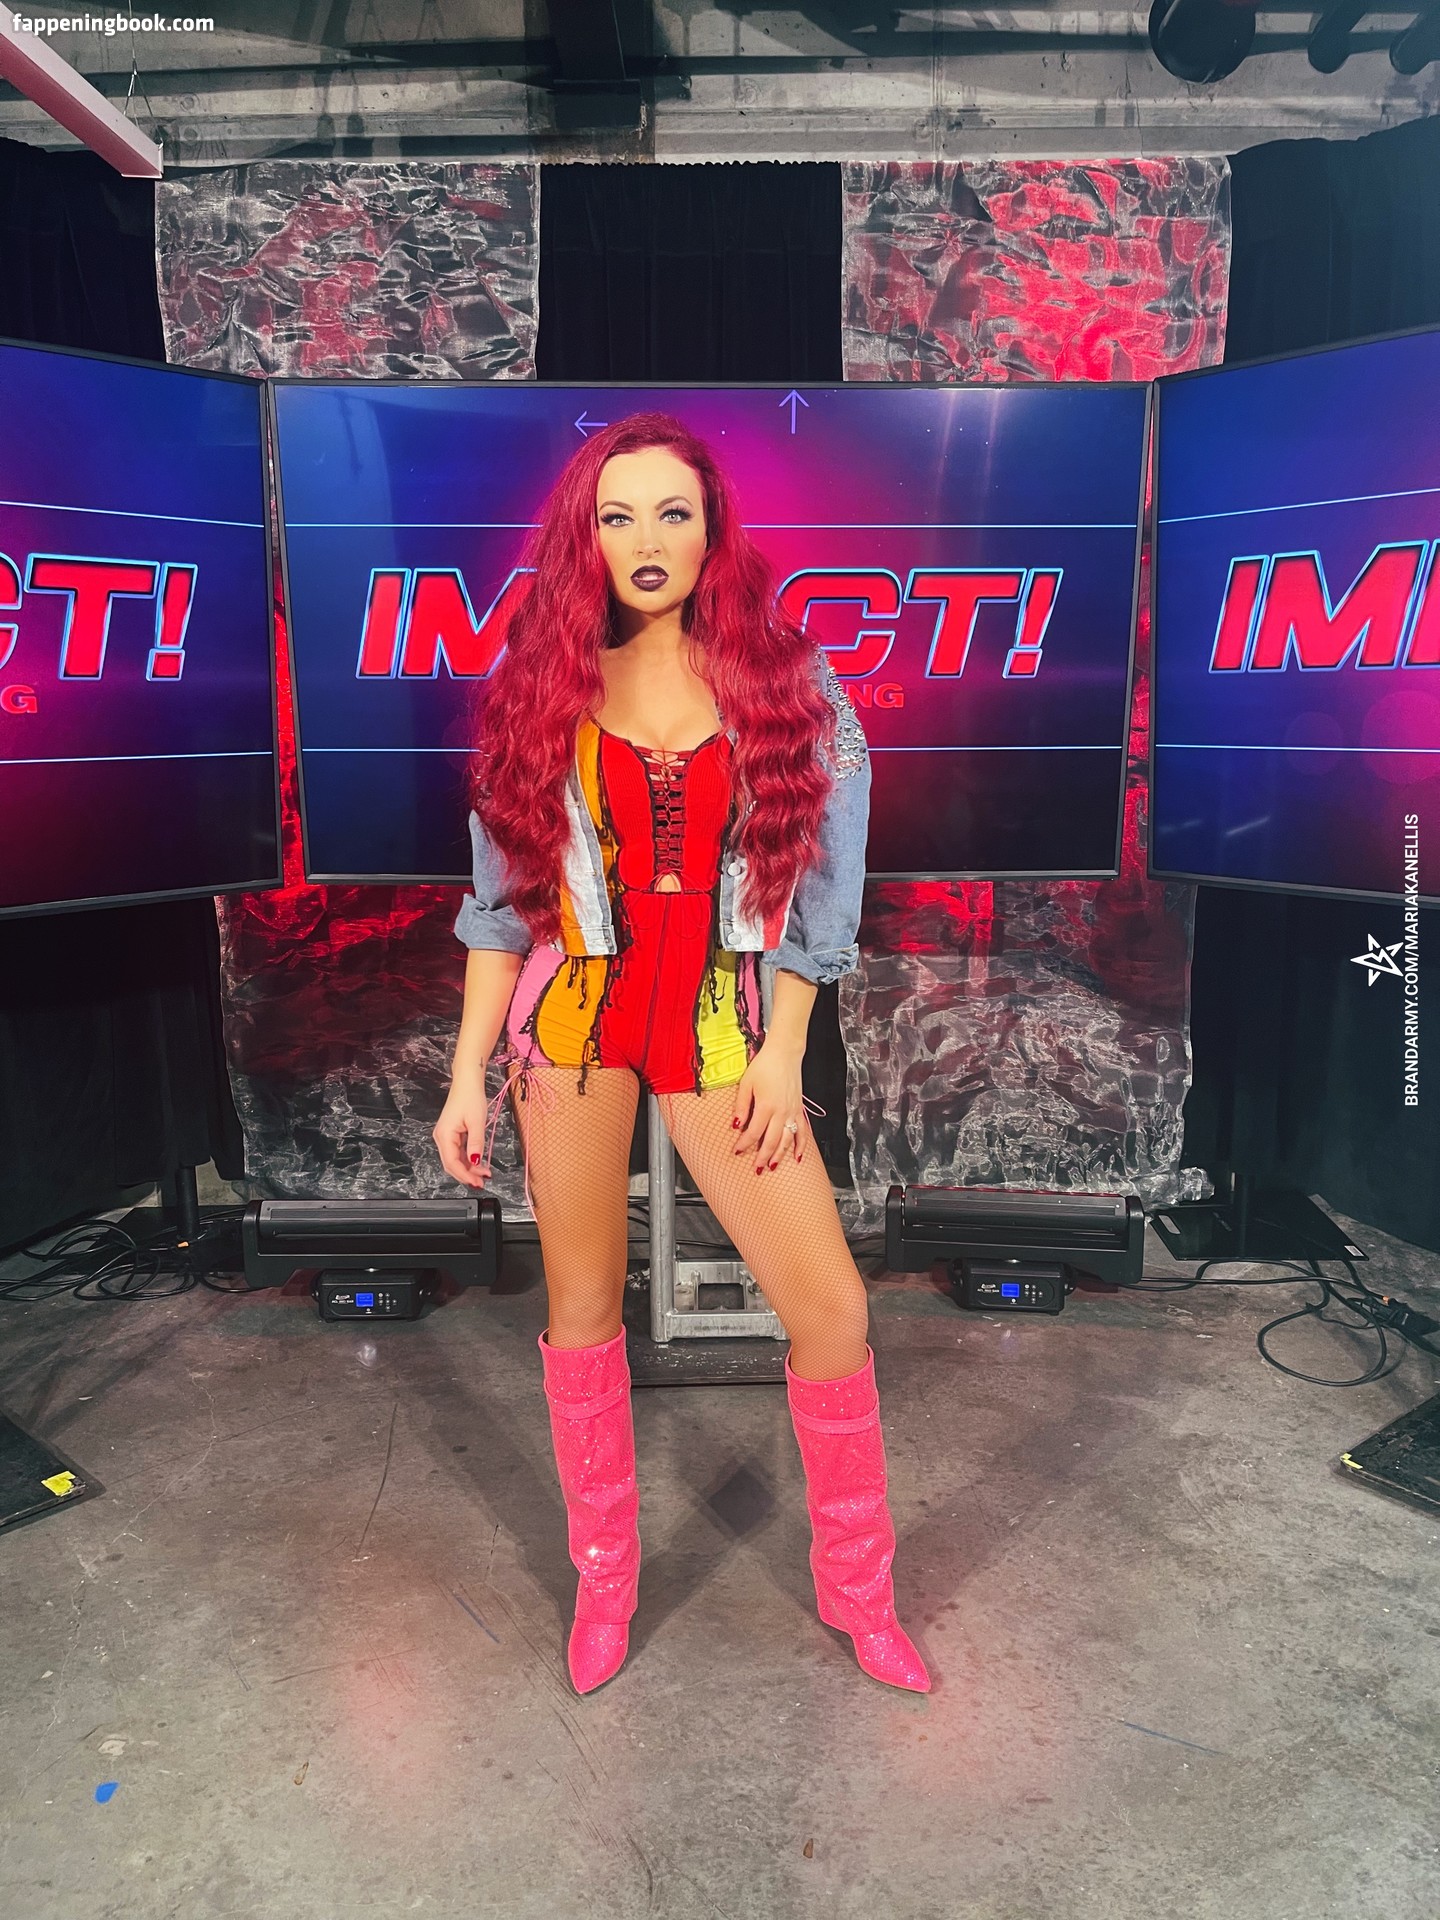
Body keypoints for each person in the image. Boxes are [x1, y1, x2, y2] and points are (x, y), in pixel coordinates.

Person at [432, 412, 929, 1698]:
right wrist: (465, 1075)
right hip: (572, 1029)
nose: (646, 539)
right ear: (584, 538)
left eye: (672, 512)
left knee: (832, 1309)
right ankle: (606, 1581)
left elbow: (824, 904)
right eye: (617, 516)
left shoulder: (794, 684)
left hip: (720, 1029)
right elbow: (498, 914)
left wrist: (783, 1056)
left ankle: (862, 1595)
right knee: (582, 1313)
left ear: (713, 531)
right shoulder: (537, 687)